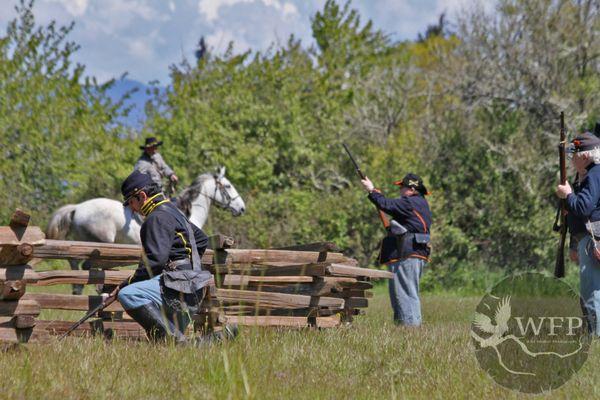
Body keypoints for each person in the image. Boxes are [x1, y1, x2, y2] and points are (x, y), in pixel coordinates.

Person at [103, 170, 229, 344]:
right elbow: (200, 239)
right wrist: (189, 267)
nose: (132, 209)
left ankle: (185, 343)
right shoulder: (173, 212)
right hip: (194, 287)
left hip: (177, 287)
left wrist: (124, 285)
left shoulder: (156, 217)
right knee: (166, 344)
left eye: (131, 202)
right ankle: (216, 339)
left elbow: (155, 262)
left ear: (142, 196)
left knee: (129, 294)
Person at [361, 173, 432, 326]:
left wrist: (371, 190)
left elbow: (387, 205)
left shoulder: (410, 202)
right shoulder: (419, 203)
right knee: (404, 294)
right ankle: (404, 329)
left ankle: (409, 331)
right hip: (412, 253)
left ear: (412, 189)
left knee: (405, 294)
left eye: (403, 187)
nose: (400, 190)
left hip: (407, 253)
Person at [556, 131, 600, 335]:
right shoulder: (588, 175)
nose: (571, 158)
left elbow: (583, 208)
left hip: (594, 239)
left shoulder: (594, 174)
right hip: (589, 239)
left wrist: (569, 195)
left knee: (591, 289)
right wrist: (574, 245)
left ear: (584, 155)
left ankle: (595, 333)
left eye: (574, 154)